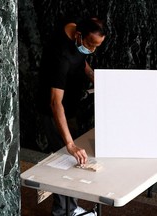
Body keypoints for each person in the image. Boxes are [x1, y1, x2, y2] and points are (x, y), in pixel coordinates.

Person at [38, 17, 106, 216]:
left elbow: (81, 59)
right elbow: (55, 103)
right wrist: (70, 144)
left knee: (72, 161)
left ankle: (70, 207)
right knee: (64, 159)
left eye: (97, 46)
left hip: (71, 104)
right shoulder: (61, 56)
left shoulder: (75, 30)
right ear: (79, 37)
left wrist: (94, 77)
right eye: (91, 45)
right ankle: (63, 212)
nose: (93, 50)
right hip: (54, 111)